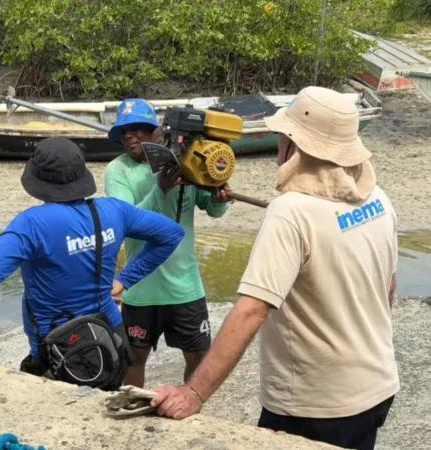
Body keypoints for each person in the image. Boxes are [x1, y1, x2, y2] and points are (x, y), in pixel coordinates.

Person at [149, 86, 399, 450]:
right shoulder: (378, 198)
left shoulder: (291, 211)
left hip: (315, 405)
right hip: (377, 386)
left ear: (293, 142)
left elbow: (252, 311)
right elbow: (388, 288)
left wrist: (193, 394)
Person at [0, 137, 185, 385]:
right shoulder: (114, 211)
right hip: (111, 335)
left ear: (38, 181)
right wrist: (125, 280)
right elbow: (172, 234)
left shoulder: (30, 226)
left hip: (57, 349)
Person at [104, 98, 232, 387]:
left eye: (138, 128)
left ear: (156, 132)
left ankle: (188, 409)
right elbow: (127, 224)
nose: (130, 136)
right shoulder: (118, 170)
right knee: (134, 358)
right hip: (139, 288)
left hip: (185, 286)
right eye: (124, 131)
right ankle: (132, 410)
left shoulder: (186, 164)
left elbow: (212, 209)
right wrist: (160, 189)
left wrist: (218, 197)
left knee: (199, 355)